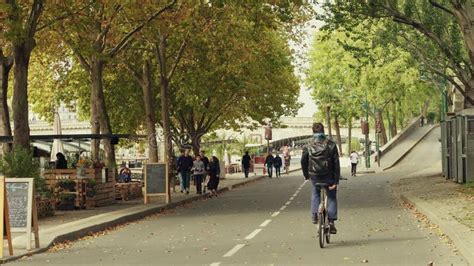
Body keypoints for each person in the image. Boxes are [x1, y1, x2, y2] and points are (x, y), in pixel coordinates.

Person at [301, 122, 340, 234]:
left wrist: (306, 175)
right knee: (331, 196)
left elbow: (303, 161)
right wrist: (336, 180)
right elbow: (336, 163)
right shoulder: (331, 144)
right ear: (324, 130)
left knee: (315, 193)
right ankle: (331, 221)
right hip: (329, 176)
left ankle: (314, 216)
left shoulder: (308, 145)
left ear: (313, 131)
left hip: (315, 176)